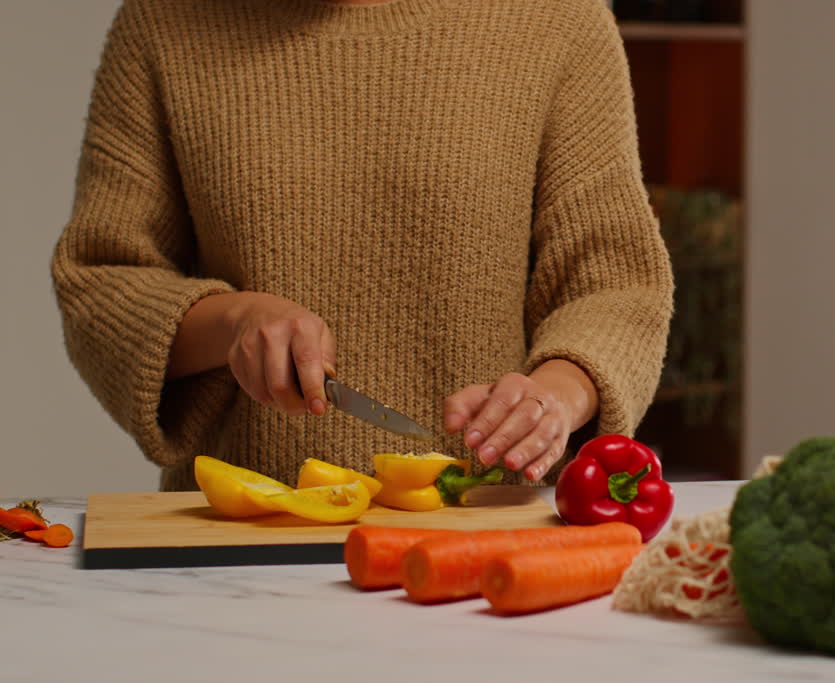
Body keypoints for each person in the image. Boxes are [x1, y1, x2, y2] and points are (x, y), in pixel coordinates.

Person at [50, 0, 674, 492]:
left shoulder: (558, 19)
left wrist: (555, 397)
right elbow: (102, 279)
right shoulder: (162, 22)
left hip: (486, 538)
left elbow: (613, 282)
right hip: (241, 543)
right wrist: (237, 320)